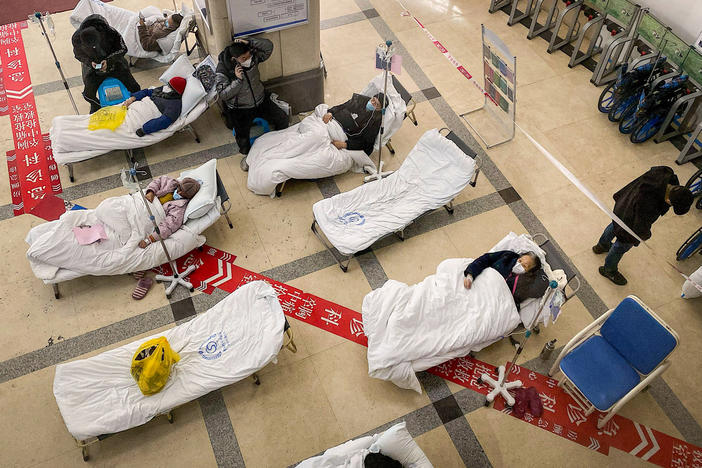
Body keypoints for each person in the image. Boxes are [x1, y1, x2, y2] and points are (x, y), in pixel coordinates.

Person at [593, 166, 694, 285]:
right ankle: (609, 269)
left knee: (615, 225)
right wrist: (645, 235)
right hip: (630, 219)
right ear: (669, 201)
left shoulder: (663, 174)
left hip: (623, 205)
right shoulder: (649, 204)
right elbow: (640, 226)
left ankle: (602, 245)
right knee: (621, 245)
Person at [215, 37, 289, 168]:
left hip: (260, 99)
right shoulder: (223, 69)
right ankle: (248, 158)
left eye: (248, 56)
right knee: (242, 136)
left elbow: (268, 47)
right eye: (243, 59)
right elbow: (223, 94)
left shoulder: (253, 58)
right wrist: (238, 81)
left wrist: (250, 42)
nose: (248, 60)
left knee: (282, 117)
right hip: (240, 108)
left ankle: (281, 143)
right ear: (234, 59)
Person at [72, 15, 140, 113]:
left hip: (115, 64)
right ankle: (97, 106)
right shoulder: (76, 39)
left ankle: (136, 105)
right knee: (88, 95)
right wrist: (90, 63)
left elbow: (123, 48)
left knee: (135, 88)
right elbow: (78, 55)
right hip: (93, 68)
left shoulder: (110, 33)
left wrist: (109, 61)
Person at [463, 250, 547, 306]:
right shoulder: (507, 256)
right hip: (479, 282)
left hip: (492, 301)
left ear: (529, 271)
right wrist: (470, 275)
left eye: (524, 266)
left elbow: (515, 300)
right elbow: (486, 258)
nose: (519, 264)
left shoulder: (526, 282)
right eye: (520, 261)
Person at [138, 176, 201, 248]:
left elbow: (169, 226)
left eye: (183, 194)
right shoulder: (170, 182)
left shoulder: (180, 208)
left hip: (148, 214)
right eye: (179, 189)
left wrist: (149, 239)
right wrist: (151, 192)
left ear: (188, 197)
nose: (179, 193)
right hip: (141, 201)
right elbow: (157, 182)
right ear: (179, 185)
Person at [322, 93, 387, 156]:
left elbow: (367, 144)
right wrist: (330, 112)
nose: (372, 103)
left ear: (380, 109)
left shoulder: (375, 121)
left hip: (343, 135)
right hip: (331, 122)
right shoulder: (358, 100)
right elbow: (342, 106)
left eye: (376, 104)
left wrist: (344, 145)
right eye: (373, 100)